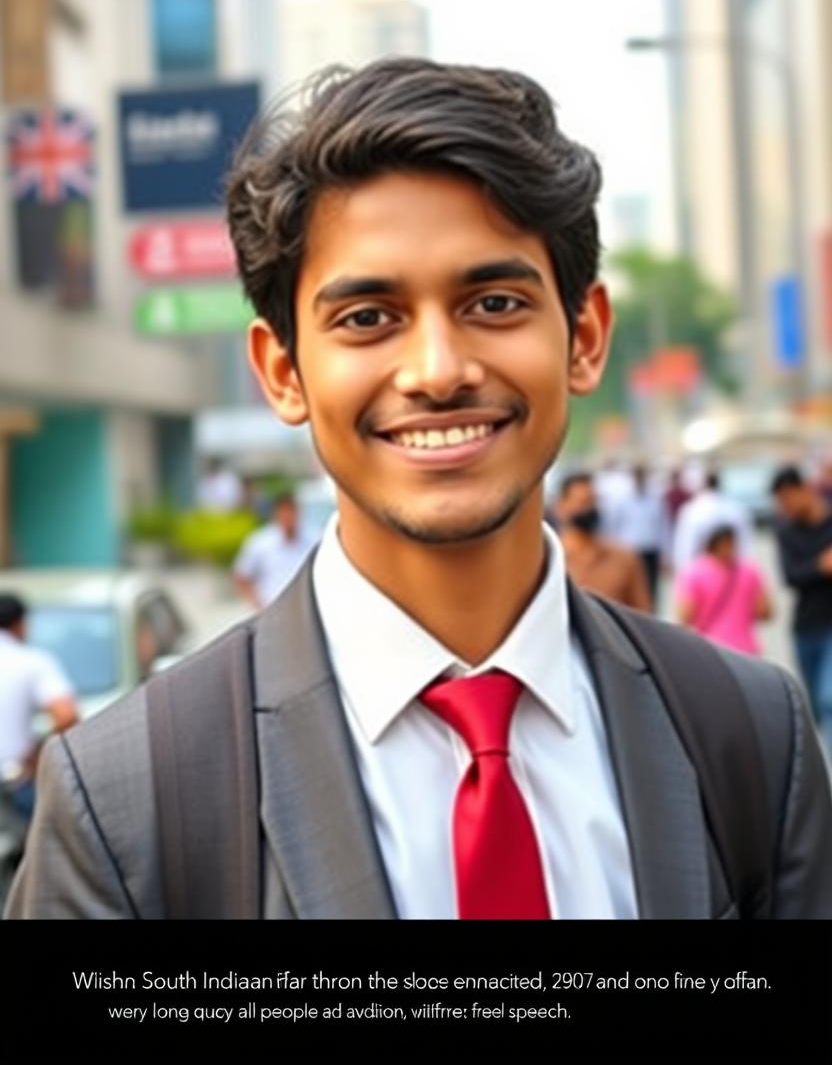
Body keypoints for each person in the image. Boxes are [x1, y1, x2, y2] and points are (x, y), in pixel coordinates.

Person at [7, 58, 831, 921]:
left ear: (583, 338)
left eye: (495, 302)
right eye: (368, 319)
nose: (437, 372)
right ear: (282, 371)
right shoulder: (126, 804)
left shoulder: (751, 735)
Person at [770, 465, 832, 761]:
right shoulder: (786, 530)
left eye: (787, 500)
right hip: (806, 627)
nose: (785, 508)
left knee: (829, 697)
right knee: (816, 708)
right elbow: (790, 576)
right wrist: (820, 566)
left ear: (802, 489)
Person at [0, 594, 79, 819]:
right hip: (14, 784)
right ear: (20, 624)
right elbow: (67, 717)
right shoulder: (33, 662)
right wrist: (36, 758)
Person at [556, 473, 651, 612]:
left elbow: (643, 614)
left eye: (593, 502)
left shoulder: (624, 558)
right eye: (582, 503)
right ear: (561, 508)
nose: (589, 509)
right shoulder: (548, 560)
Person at [675, 524, 773, 657]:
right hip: (746, 651)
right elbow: (765, 612)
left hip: (709, 648)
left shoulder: (694, 571)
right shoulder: (750, 570)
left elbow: (685, 616)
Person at [232, 491, 316, 608]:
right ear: (276, 514)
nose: (288, 517)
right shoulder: (260, 542)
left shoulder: (314, 539)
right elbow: (242, 575)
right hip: (272, 608)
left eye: (291, 511)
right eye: (284, 512)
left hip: (305, 608)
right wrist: (255, 602)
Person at [603, 463, 669, 609]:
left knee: (651, 589)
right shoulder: (622, 499)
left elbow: (662, 525)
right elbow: (613, 524)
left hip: (651, 549)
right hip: (630, 550)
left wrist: (665, 553)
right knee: (631, 589)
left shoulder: (655, 498)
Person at [671, 468, 754, 572]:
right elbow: (745, 545)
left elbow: (685, 547)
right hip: (729, 570)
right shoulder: (736, 508)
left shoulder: (692, 510)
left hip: (701, 572)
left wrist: (684, 572)